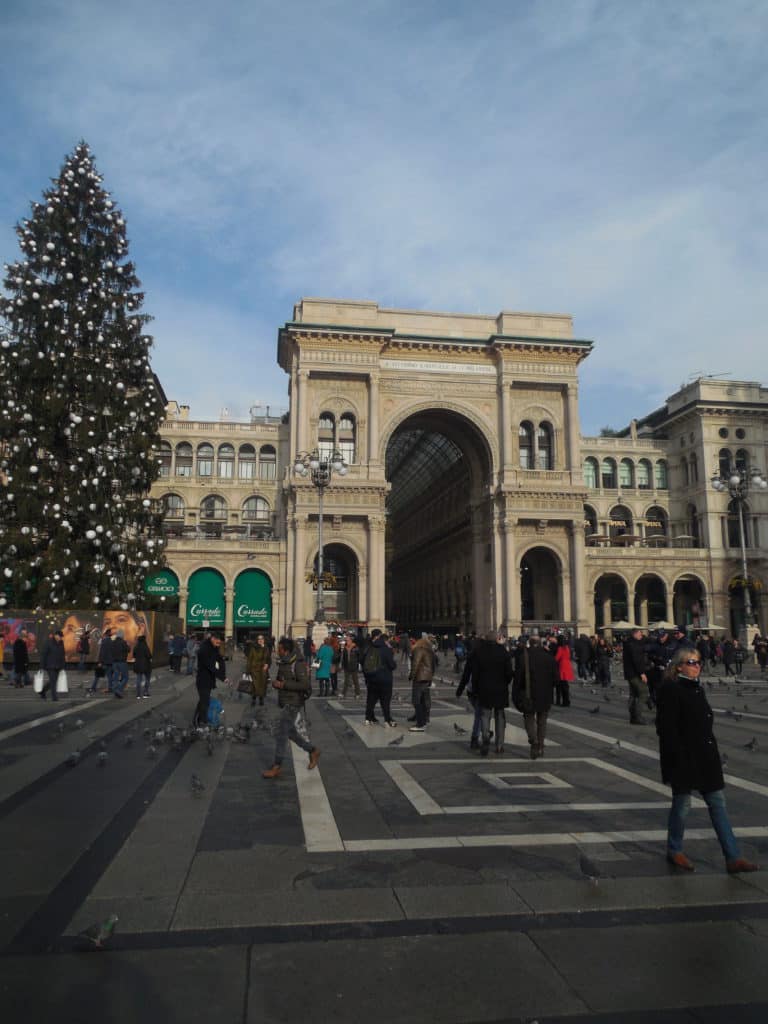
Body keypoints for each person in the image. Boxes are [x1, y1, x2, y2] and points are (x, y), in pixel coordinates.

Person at [656, 646, 759, 874]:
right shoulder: (671, 690)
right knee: (682, 806)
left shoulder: (696, 689)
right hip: (683, 759)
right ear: (679, 666)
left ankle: (733, 857)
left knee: (718, 804)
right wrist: (676, 760)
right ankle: (674, 849)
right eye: (692, 662)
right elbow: (666, 729)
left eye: (698, 662)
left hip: (705, 757)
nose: (697, 666)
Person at [262, 637, 320, 779]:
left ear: (285, 650)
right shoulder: (284, 662)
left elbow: (305, 684)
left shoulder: (297, 664)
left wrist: (283, 685)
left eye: (280, 648)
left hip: (293, 703)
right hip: (286, 701)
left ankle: (277, 766)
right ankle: (312, 750)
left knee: (281, 734)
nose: (278, 650)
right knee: (290, 733)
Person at [461, 630, 512, 756]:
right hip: (500, 690)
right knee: (500, 717)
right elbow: (509, 673)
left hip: (484, 690)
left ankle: (485, 740)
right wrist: (505, 683)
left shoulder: (479, 653)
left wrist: (477, 688)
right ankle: (499, 745)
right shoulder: (503, 652)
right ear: (497, 639)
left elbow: (476, 674)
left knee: (485, 716)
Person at [512, 635, 558, 759]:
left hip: (528, 695)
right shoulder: (549, 658)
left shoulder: (523, 658)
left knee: (529, 719)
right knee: (542, 721)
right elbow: (556, 679)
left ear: (529, 643)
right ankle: (541, 746)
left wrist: (515, 694)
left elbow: (517, 679)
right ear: (541, 643)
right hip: (545, 695)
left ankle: (534, 742)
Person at [361, 629, 398, 727]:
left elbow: (363, 660)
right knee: (385, 700)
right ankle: (387, 720)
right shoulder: (386, 649)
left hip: (372, 678)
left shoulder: (370, 647)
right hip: (385, 679)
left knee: (371, 700)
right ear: (385, 640)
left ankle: (368, 719)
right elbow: (392, 665)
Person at [194, 633, 227, 727]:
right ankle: (202, 722)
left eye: (220, 641)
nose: (219, 642)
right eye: (217, 640)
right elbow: (210, 666)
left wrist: (223, 674)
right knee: (204, 702)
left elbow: (220, 660)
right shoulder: (204, 649)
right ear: (212, 638)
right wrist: (222, 677)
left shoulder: (213, 648)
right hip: (203, 680)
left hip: (208, 680)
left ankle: (198, 720)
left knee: (203, 701)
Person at [408, 632, 436, 732]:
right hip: (427, 678)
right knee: (424, 701)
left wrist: (411, 675)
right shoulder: (430, 650)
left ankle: (420, 724)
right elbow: (433, 666)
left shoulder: (419, 649)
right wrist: (430, 677)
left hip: (420, 677)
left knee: (416, 701)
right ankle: (423, 721)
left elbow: (415, 663)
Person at [623, 626, 649, 725]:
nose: (641, 635)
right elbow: (636, 660)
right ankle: (637, 716)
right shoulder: (633, 645)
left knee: (633, 694)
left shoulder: (628, 643)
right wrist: (642, 673)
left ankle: (633, 717)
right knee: (643, 692)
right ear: (634, 634)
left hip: (629, 673)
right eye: (639, 634)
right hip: (635, 673)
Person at [40, 630, 65, 701]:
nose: (61, 638)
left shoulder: (61, 643)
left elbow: (62, 654)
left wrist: (63, 665)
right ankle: (54, 697)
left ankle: (43, 691)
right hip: (50, 665)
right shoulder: (48, 643)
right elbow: (44, 655)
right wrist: (42, 666)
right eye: (60, 636)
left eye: (61, 637)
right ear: (56, 635)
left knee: (52, 681)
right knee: (53, 681)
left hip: (58, 665)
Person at [246, 633, 270, 706]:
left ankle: (261, 699)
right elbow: (249, 659)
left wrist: (267, 664)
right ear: (257, 640)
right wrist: (248, 670)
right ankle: (253, 699)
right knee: (254, 685)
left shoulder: (266, 648)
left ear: (264, 640)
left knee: (263, 685)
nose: (260, 640)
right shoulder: (253, 648)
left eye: (262, 639)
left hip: (263, 670)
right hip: (254, 669)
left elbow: (268, 659)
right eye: (259, 639)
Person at [554, 635, 574, 707]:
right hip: (567, 665)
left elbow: (556, 658)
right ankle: (567, 701)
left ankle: (565, 702)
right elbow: (568, 656)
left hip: (562, 666)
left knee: (563, 685)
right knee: (565, 684)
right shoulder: (567, 647)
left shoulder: (560, 648)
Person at [111, 629, 130, 698]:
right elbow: (128, 650)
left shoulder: (113, 642)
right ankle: (119, 689)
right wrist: (128, 645)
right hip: (122, 662)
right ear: (122, 635)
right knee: (125, 677)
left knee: (115, 677)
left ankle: (115, 689)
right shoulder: (123, 642)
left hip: (114, 662)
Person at [133, 632, 153, 699]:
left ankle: (138, 695)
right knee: (147, 679)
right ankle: (145, 693)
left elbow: (134, 655)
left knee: (138, 679)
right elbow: (149, 656)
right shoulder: (145, 647)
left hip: (138, 665)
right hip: (146, 665)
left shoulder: (136, 647)